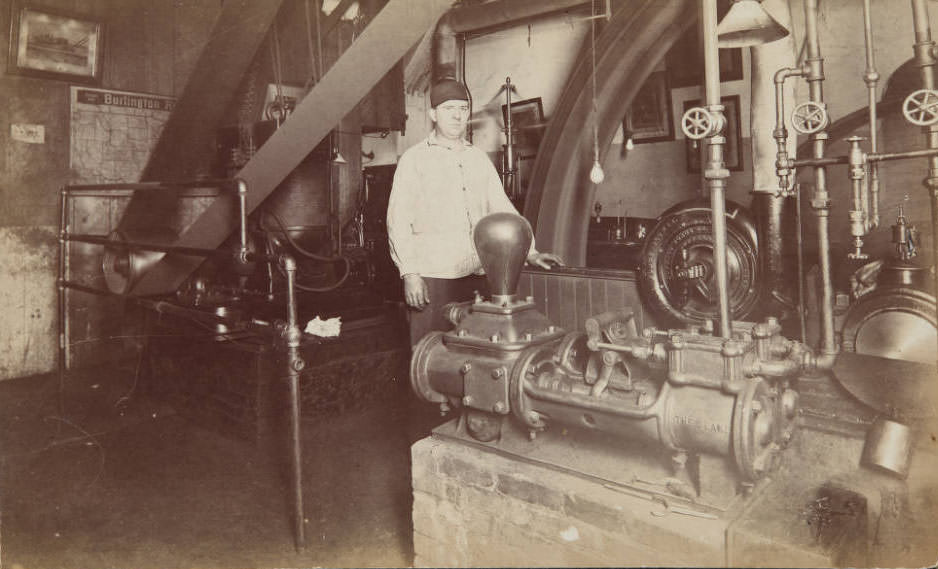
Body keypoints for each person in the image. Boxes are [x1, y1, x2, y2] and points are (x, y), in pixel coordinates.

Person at [387, 78, 563, 346]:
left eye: (463, 108)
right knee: (430, 355)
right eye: (449, 109)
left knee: (476, 352)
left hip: (478, 275)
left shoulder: (478, 159)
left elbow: (503, 210)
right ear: (433, 114)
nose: (457, 116)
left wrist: (531, 252)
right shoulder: (414, 160)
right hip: (434, 277)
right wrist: (410, 273)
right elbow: (398, 220)